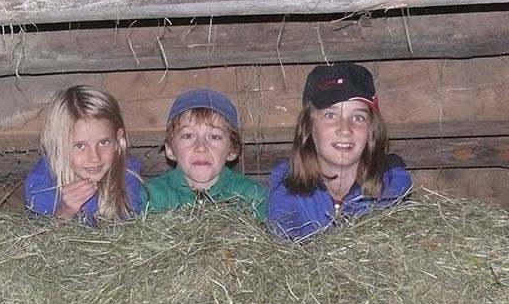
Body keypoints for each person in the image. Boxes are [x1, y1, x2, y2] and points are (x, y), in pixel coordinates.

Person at [267, 62, 411, 241]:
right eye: (331, 115)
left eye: (358, 118)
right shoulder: (286, 183)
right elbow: (285, 241)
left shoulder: (391, 183)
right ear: (308, 126)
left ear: (372, 131)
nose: (345, 129)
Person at [24, 85, 142, 223]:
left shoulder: (126, 174)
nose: (94, 157)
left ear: (118, 139)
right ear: (59, 145)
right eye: (80, 146)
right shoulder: (40, 185)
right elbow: (38, 233)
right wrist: (63, 213)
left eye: (103, 142)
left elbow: (129, 225)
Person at [143, 88, 266, 217]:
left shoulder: (252, 197)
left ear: (232, 150)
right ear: (170, 150)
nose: (201, 147)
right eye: (188, 136)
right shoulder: (150, 197)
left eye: (214, 137)